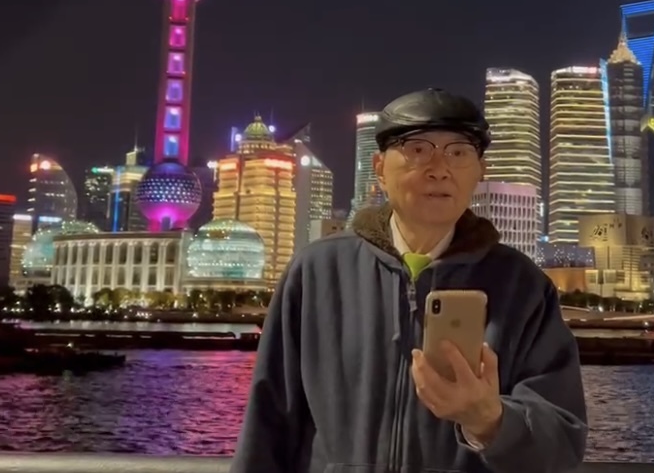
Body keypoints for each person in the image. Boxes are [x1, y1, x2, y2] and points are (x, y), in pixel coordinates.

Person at [231, 88, 588, 473]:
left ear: (480, 171)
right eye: (417, 149)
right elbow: (267, 424)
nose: (439, 168)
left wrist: (490, 422)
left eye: (459, 152)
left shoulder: (523, 287)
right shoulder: (317, 272)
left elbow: (562, 449)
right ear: (380, 168)